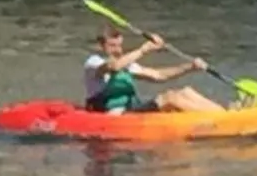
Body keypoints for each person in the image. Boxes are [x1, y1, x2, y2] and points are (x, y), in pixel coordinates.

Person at [83, 28, 224, 114]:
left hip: (132, 110)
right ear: (101, 46)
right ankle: (221, 120)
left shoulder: (127, 64)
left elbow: (158, 75)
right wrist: (144, 49)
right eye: (112, 46)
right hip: (114, 114)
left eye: (120, 45)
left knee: (185, 92)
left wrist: (190, 67)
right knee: (169, 98)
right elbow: (113, 67)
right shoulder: (94, 63)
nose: (118, 50)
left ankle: (225, 114)